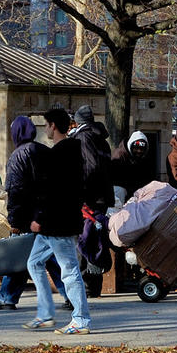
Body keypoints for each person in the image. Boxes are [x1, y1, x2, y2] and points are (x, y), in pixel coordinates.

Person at [0, 116, 70, 311]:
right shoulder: (45, 151)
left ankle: (7, 298)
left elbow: (15, 190)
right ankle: (70, 294)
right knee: (49, 256)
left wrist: (13, 220)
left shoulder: (17, 156)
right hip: (47, 214)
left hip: (26, 216)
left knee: (20, 255)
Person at [23, 107, 91, 334]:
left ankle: (80, 320)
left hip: (57, 223)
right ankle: (45, 314)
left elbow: (51, 192)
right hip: (58, 221)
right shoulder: (73, 152)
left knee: (69, 269)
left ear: (53, 126)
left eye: (46, 125)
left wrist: (39, 218)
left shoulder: (59, 154)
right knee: (34, 263)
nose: (45, 129)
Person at [68, 105, 115, 296]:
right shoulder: (101, 140)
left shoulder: (83, 137)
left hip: (89, 199)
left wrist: (82, 193)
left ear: (78, 121)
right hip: (102, 197)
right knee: (95, 239)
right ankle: (93, 286)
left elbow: (90, 167)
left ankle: (85, 287)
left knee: (83, 240)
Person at [111, 130, 157, 201]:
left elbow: (147, 179)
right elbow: (114, 179)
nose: (139, 151)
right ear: (130, 146)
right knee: (119, 190)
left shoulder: (142, 159)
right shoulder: (119, 156)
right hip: (118, 193)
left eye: (142, 149)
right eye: (136, 148)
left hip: (134, 193)